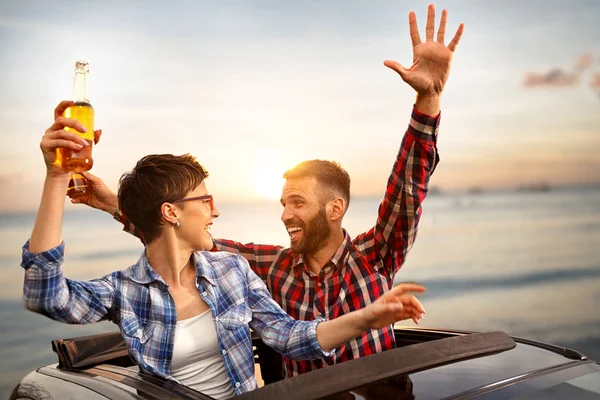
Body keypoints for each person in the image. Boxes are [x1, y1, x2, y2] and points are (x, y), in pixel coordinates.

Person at [72, 4, 463, 378]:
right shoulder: (271, 267)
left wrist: (427, 100)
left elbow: (407, 189)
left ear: (335, 208)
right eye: (283, 203)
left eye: (297, 203)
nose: (285, 214)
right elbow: (178, 235)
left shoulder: (375, 256)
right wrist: (114, 204)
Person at [21, 109, 426, 399]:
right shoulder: (128, 289)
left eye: (297, 203)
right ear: (172, 212)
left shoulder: (235, 271)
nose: (215, 211)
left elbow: (291, 336)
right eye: (206, 200)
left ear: (335, 209)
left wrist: (368, 317)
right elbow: (47, 295)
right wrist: (59, 178)